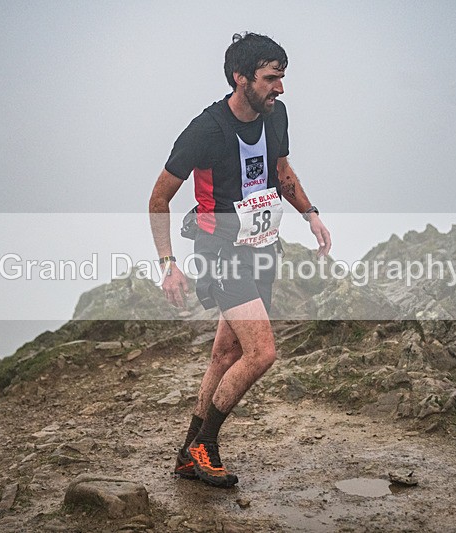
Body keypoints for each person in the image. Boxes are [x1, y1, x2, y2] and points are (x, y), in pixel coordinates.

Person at [148, 32, 331, 487]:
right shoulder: (205, 131)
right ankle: (203, 447)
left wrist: (310, 214)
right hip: (219, 252)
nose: (280, 88)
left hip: (262, 246)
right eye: (271, 78)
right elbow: (158, 197)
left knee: (226, 352)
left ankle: (186, 455)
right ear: (241, 78)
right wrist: (168, 264)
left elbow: (281, 172)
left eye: (282, 78)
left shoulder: (276, 115)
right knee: (261, 352)